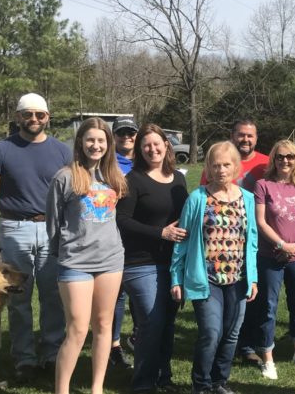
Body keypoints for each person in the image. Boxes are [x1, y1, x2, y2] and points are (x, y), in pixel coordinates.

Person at [0, 93, 71, 379]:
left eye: (40, 115)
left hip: (53, 229)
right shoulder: (0, 151)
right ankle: (24, 358)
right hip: (14, 228)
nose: (34, 119)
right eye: (27, 114)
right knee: (18, 297)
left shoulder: (64, 152)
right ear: (18, 116)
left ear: (48, 117)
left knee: (53, 295)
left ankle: (52, 354)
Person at [46, 117, 128, 394]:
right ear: (80, 142)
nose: (96, 145)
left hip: (111, 261)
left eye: (101, 140)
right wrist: (65, 252)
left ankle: (97, 388)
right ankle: (62, 390)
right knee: (78, 329)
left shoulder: (115, 178)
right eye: (90, 139)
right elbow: (53, 224)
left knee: (104, 324)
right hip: (75, 263)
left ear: (109, 144)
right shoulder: (65, 177)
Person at [171, 141, 259, 394]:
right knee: (211, 332)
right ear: (208, 167)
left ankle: (220, 381)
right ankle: (201, 384)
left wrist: (252, 279)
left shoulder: (248, 199)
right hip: (206, 278)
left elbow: (251, 241)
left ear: (236, 167)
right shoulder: (197, 198)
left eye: (226, 165)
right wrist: (176, 279)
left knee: (231, 334)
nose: (221, 170)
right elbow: (182, 242)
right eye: (215, 165)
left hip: (238, 278)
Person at [116, 124, 188, 393]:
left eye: (157, 143)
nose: (152, 149)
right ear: (139, 149)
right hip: (140, 262)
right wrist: (161, 233)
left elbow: (187, 214)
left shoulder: (178, 179)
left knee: (168, 324)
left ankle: (163, 377)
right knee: (151, 321)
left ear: (166, 145)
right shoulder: (132, 180)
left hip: (173, 263)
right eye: (146, 145)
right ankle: (143, 383)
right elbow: (121, 220)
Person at [248, 139, 295, 379]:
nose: (285, 161)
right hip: (271, 256)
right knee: (268, 306)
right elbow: (260, 221)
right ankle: (267, 357)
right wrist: (281, 244)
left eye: (290, 156)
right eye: (280, 157)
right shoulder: (263, 185)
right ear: (274, 159)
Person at [110, 116, 139, 371]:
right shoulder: (107, 162)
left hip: (141, 236)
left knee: (139, 292)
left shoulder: (145, 159)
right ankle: (114, 345)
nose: (127, 137)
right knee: (117, 293)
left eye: (131, 133)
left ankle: (138, 337)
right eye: (122, 133)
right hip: (114, 233)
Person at [199, 119, 268, 191]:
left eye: (250, 136)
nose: (245, 139)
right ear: (232, 136)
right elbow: (203, 193)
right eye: (241, 135)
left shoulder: (268, 163)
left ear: (256, 139)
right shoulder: (217, 164)